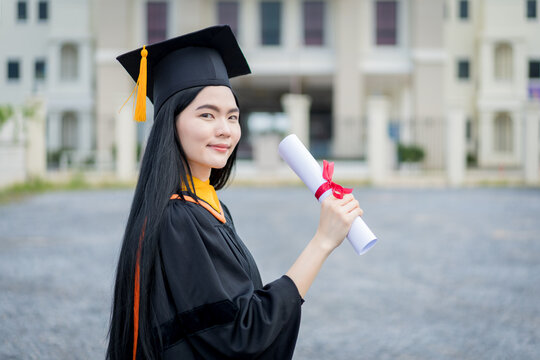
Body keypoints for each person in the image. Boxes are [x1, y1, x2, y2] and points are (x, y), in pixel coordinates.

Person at [107, 25, 363, 360]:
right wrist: (322, 242)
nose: (225, 129)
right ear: (172, 121)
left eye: (232, 116)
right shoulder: (178, 220)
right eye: (207, 114)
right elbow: (240, 336)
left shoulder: (207, 207)